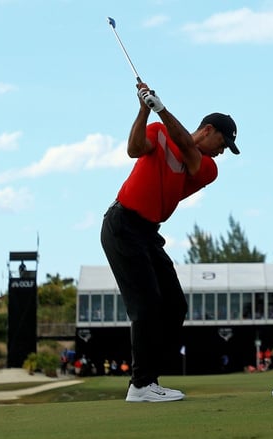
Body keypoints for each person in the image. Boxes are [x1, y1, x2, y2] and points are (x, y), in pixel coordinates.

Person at [101, 82, 241, 402]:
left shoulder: (207, 167)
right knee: (146, 305)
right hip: (122, 224)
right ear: (208, 130)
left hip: (147, 233)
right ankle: (141, 385)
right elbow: (134, 149)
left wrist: (160, 108)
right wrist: (142, 110)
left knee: (174, 304)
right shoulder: (158, 133)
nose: (223, 150)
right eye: (224, 141)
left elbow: (187, 149)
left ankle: (149, 379)